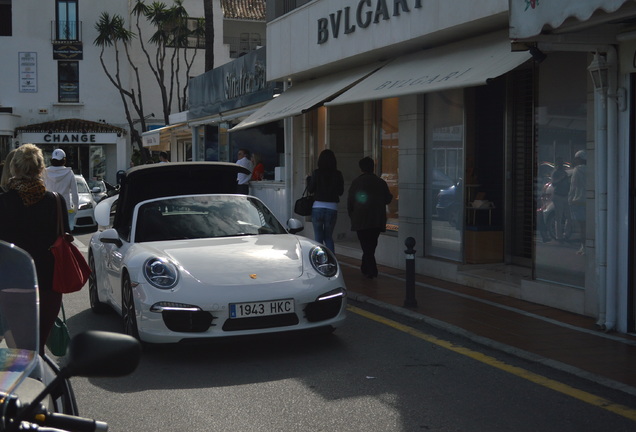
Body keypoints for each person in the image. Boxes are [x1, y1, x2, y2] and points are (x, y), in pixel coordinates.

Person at [0, 144, 70, 354]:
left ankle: (28, 383)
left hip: (14, 285)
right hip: (49, 284)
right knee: (37, 346)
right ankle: (41, 382)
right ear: (41, 169)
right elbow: (65, 236)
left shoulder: (3, 203)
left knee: (22, 350)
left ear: (14, 169)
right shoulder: (55, 201)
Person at [348, 157, 393, 279]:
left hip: (361, 219)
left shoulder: (356, 182)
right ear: (373, 167)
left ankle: (371, 269)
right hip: (376, 219)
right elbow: (388, 199)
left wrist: (352, 215)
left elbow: (350, 201)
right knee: (371, 244)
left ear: (361, 168)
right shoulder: (380, 182)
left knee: (366, 245)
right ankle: (367, 267)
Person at [307, 149, 344, 253]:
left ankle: (319, 262)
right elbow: (341, 192)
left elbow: (310, 189)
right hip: (332, 208)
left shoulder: (316, 173)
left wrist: (308, 179)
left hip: (317, 207)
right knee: (328, 238)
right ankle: (331, 262)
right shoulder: (338, 174)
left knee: (318, 238)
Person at [44, 149, 79, 232]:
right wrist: (75, 208)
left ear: (52, 159)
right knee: (65, 233)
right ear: (64, 160)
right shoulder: (69, 173)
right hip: (65, 207)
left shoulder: (44, 172)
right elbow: (74, 192)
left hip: (49, 207)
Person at [568, 150, 587, 255]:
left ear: (579, 159)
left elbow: (573, 186)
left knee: (582, 227)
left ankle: (583, 247)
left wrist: (569, 199)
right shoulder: (592, 169)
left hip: (578, 201)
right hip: (589, 201)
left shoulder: (577, 170)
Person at [551, 157, 570, 242]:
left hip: (566, 196)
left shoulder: (565, 173)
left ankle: (566, 234)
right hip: (558, 196)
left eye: (561, 163)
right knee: (559, 217)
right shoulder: (555, 173)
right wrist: (561, 178)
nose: (560, 165)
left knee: (568, 216)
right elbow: (553, 183)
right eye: (559, 163)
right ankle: (559, 236)